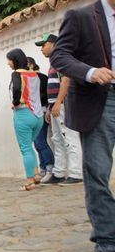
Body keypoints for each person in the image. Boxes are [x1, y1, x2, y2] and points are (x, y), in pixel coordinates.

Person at [49, 0, 115, 252]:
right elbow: (61, 56)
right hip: (99, 101)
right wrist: (89, 72)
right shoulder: (81, 17)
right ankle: (108, 238)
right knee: (97, 170)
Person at [37, 33, 83, 186]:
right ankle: (59, 172)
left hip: (64, 106)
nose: (42, 49)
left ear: (53, 44)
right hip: (55, 107)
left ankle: (76, 173)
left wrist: (58, 102)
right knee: (57, 139)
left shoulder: (62, 58)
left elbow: (66, 81)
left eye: (44, 45)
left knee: (69, 138)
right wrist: (51, 108)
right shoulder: (54, 61)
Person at [6, 49, 45, 191]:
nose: (8, 63)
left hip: (23, 113)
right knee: (30, 146)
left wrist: (15, 102)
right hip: (38, 115)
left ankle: (30, 180)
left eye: (9, 60)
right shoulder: (35, 74)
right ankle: (36, 174)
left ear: (14, 60)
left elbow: (16, 89)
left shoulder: (16, 74)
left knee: (26, 148)